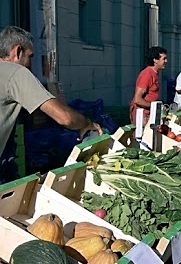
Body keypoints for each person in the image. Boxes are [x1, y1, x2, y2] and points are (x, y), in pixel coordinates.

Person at [0, 25, 103, 183]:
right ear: (18, 51)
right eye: (30, 56)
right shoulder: (16, 72)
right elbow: (65, 118)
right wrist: (87, 124)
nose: (31, 64)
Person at [129, 46, 167, 126]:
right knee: (143, 137)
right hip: (142, 115)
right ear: (155, 60)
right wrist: (155, 106)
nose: (166, 61)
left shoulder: (155, 73)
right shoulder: (147, 74)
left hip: (149, 114)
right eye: (164, 58)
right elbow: (137, 99)